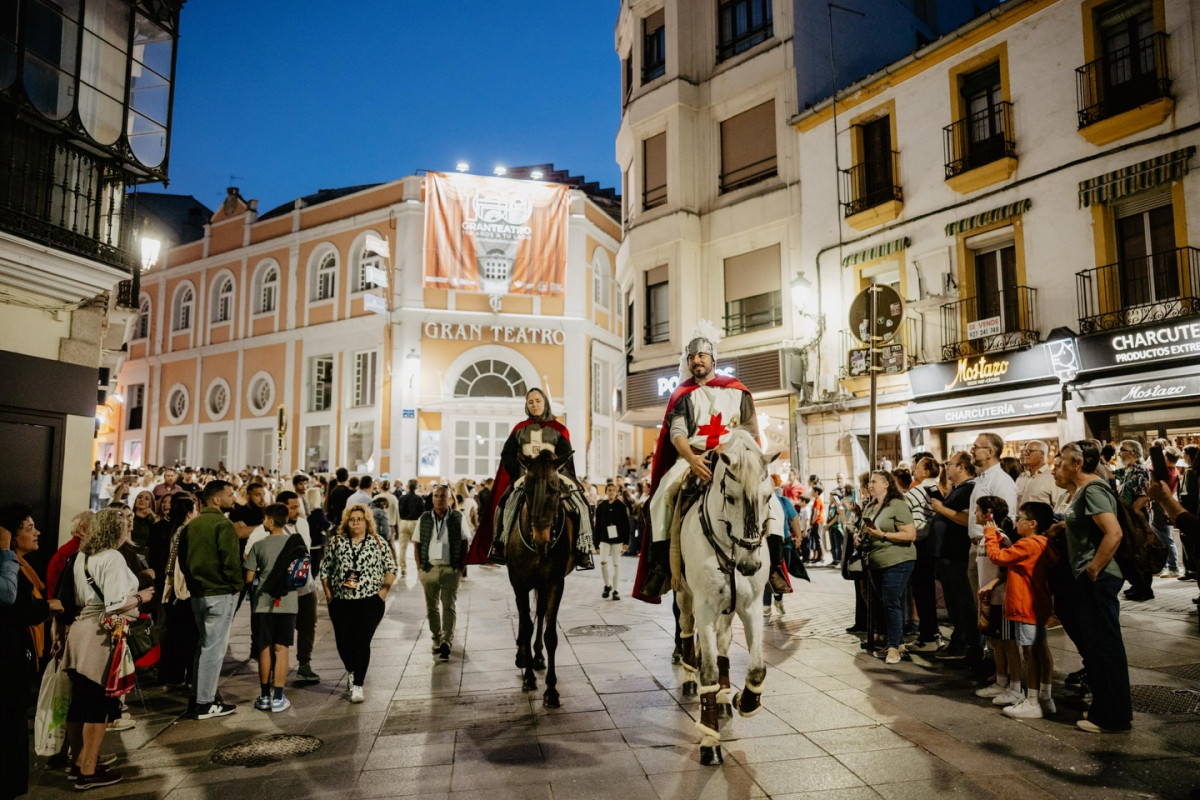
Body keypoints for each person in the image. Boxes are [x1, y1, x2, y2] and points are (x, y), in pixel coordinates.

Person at [634, 324, 760, 601]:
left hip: (734, 457)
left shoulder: (737, 391)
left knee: (765, 497)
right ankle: (660, 567)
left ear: (713, 359)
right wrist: (691, 460)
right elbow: (677, 433)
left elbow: (750, 430)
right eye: (692, 357)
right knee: (658, 500)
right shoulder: (682, 395)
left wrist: (732, 446)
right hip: (693, 457)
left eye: (702, 355)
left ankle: (773, 562)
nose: (697, 360)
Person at [61, 508, 151, 789]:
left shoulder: (81, 556)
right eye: (124, 526)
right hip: (100, 636)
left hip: (80, 630)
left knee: (79, 703)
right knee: (97, 706)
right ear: (116, 531)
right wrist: (140, 596)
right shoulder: (112, 557)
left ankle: (78, 763)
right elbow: (114, 604)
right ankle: (89, 770)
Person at [1056, 440, 1131, 733]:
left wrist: (1094, 568)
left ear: (1077, 463)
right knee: (1097, 646)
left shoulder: (1093, 489)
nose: (1058, 465)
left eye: (1062, 460)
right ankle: (1105, 709)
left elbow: (1113, 533)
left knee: (1106, 646)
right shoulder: (1083, 491)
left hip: (1100, 578)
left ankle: (1113, 716)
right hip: (1090, 578)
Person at [478, 388, 594, 570]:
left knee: (582, 505)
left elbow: (565, 454)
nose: (534, 405)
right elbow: (507, 454)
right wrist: (519, 472)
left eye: (538, 401)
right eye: (530, 402)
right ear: (527, 405)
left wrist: (553, 471)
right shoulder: (519, 429)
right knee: (504, 503)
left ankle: (582, 550)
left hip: (555, 476)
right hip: (526, 477)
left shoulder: (559, 429)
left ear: (545, 402)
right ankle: (500, 545)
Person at [1, 507, 62, 799]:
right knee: (11, 725)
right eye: (29, 527)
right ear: (10, 537)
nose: (36, 532)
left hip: (16, 657)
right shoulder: (10, 566)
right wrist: (46, 607)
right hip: (9, 660)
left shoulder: (22, 566)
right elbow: (12, 607)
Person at [986, 501, 1057, 719]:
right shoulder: (1044, 543)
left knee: (1029, 652)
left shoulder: (1028, 544)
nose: (1016, 521)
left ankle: (1032, 701)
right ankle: (1045, 696)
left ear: (1033, 523)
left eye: (1020, 518)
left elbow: (998, 557)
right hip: (1038, 606)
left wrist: (990, 534)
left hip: (1025, 605)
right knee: (1041, 649)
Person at [320, 504, 395, 702]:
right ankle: (351, 670)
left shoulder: (377, 542)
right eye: (352, 519)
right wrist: (328, 593)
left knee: (362, 642)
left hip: (370, 601)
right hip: (342, 602)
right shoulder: (337, 542)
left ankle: (358, 685)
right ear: (347, 521)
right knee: (343, 643)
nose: (355, 523)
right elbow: (325, 569)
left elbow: (391, 567)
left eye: (359, 519)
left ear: (366, 522)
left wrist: (384, 592)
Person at [181, 480, 240, 719]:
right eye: (230, 494)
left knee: (203, 646)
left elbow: (183, 560)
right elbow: (230, 561)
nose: (233, 498)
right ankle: (205, 702)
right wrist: (236, 586)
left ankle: (199, 696)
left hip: (198, 592)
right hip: (220, 592)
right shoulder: (222, 524)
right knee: (213, 649)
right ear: (216, 499)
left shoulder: (191, 526)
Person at [859, 471, 917, 664]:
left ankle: (894, 647)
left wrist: (883, 535)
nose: (870, 485)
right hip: (876, 560)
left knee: (892, 601)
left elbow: (910, 534)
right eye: (869, 482)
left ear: (886, 484)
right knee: (885, 601)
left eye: (874, 482)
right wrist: (859, 537)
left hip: (897, 560)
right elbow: (864, 529)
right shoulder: (869, 506)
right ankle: (897, 642)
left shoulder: (897, 505)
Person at [244, 503, 297, 713]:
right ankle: (278, 696)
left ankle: (264, 695)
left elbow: (249, 577)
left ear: (272, 521)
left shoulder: (259, 545)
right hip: (288, 601)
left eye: (265, 519)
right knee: (282, 648)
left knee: (264, 647)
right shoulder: (294, 544)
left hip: (263, 603)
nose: (263, 522)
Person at [929, 452, 979, 662]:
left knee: (963, 602)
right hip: (947, 554)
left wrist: (941, 508)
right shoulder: (956, 489)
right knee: (953, 602)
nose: (946, 467)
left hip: (957, 554)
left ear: (961, 467)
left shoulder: (969, 489)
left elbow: (966, 519)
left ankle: (970, 645)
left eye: (950, 464)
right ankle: (959, 641)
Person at [972, 496, 1022, 706]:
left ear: (988, 514)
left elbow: (1006, 568)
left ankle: (1016, 686)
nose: (975, 514)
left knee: (1008, 643)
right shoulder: (985, 538)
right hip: (989, 600)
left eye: (978, 510)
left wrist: (992, 584)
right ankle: (1001, 681)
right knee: (996, 642)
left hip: (1001, 598)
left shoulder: (1000, 538)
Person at [417, 485, 470, 660]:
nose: (439, 499)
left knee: (448, 605)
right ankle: (436, 638)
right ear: (432, 498)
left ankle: (447, 640)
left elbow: (464, 543)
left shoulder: (457, 517)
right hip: (429, 569)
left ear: (449, 499)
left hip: (450, 569)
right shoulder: (425, 518)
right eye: (436, 496)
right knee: (431, 607)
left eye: (443, 496)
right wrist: (419, 568)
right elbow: (417, 543)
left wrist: (460, 568)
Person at [158, 494, 199, 688]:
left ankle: (171, 675)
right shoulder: (186, 531)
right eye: (195, 509)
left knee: (173, 634)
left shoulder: (171, 529)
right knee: (187, 635)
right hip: (183, 590)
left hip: (171, 589)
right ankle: (182, 677)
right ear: (189, 513)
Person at [905, 456, 942, 652]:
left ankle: (927, 636)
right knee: (926, 592)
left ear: (926, 472)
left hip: (921, 544)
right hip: (931, 545)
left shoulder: (918, 490)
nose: (913, 470)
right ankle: (931, 633)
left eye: (917, 467)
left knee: (922, 592)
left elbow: (907, 514)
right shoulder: (936, 489)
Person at [594, 483, 631, 600]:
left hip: (617, 539)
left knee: (616, 564)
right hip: (604, 538)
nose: (611, 492)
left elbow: (626, 525)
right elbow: (597, 526)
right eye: (609, 490)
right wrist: (596, 543)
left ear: (616, 492)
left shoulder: (621, 506)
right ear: (606, 492)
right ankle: (607, 585)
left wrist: (626, 542)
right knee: (603, 562)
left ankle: (615, 589)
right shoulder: (601, 507)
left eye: (613, 490)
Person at [1016, 441, 1064, 509]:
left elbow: (1059, 507)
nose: (1025, 454)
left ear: (1042, 454)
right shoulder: (1022, 477)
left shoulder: (1052, 477)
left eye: (1029, 451)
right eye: (1024, 451)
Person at [396, 479, 425, 577]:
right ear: (416, 487)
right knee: (417, 547)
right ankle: (419, 567)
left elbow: (400, 510)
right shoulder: (419, 499)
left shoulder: (402, 498)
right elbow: (422, 512)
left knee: (402, 547)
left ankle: (403, 568)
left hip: (403, 522)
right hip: (415, 522)